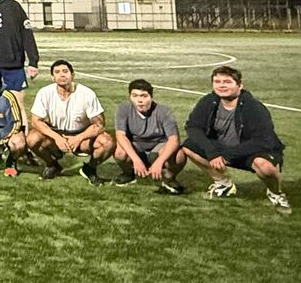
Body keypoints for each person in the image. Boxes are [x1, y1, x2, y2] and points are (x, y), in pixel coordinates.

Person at [182, 66, 289, 213]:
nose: (222, 85)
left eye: (227, 82)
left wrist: (228, 155)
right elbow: (193, 127)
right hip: (223, 149)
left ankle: (276, 193)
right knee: (188, 146)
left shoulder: (253, 107)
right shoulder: (208, 101)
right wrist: (212, 152)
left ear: (240, 85)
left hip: (251, 151)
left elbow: (264, 141)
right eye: (217, 82)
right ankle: (223, 184)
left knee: (265, 167)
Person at [26, 60, 114, 184]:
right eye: (57, 72)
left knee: (107, 142)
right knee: (32, 139)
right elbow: (35, 121)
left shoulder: (87, 94)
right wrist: (57, 138)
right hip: (56, 134)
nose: (62, 75)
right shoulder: (44, 93)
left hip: (82, 136)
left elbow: (99, 125)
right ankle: (52, 165)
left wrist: (78, 138)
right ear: (52, 78)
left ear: (72, 75)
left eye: (65, 71)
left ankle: (90, 168)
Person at [113, 79, 186, 193]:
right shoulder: (123, 109)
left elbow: (174, 140)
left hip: (158, 148)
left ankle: (169, 179)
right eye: (135, 96)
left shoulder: (163, 111)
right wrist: (136, 160)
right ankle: (128, 174)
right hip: (137, 148)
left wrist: (159, 162)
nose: (139, 100)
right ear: (130, 97)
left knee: (179, 155)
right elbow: (120, 135)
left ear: (151, 97)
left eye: (144, 96)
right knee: (120, 151)